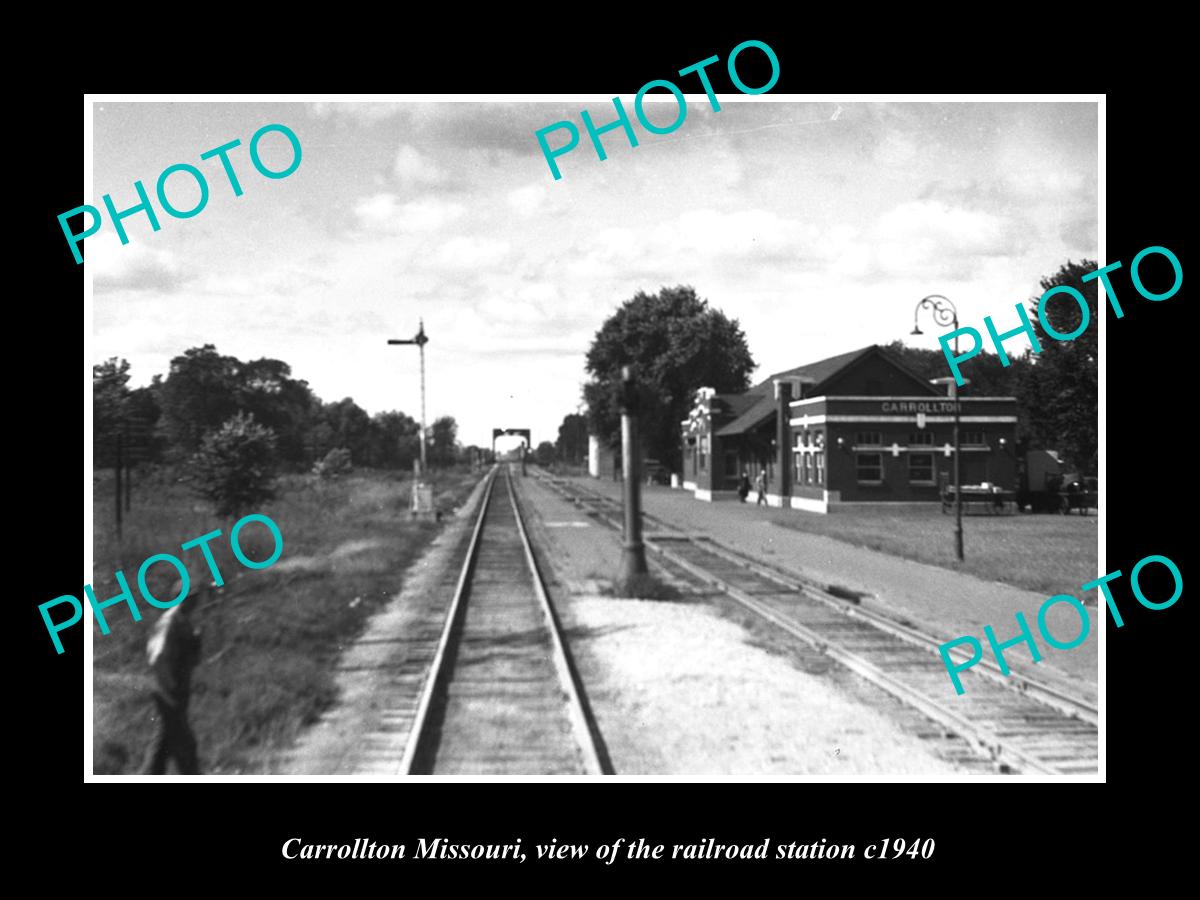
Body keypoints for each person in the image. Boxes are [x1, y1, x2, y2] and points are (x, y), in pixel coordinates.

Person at [141, 583, 203, 774]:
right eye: (191, 597)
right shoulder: (169, 622)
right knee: (186, 746)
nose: (195, 601)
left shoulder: (183, 622)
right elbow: (157, 658)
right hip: (168, 692)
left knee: (163, 746)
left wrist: (196, 643)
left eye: (196, 597)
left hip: (176, 691)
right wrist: (171, 687)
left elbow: (192, 660)